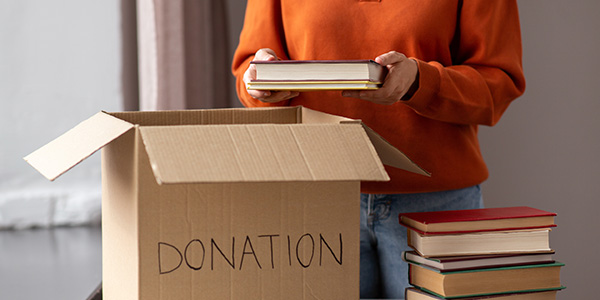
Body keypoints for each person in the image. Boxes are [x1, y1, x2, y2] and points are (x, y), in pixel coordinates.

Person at [231, 1, 525, 298]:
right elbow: (248, 70)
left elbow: (499, 82)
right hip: (316, 200)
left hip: (436, 204)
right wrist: (260, 82)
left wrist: (419, 82)